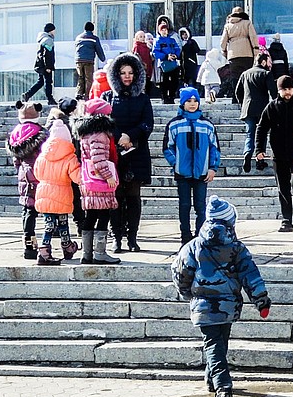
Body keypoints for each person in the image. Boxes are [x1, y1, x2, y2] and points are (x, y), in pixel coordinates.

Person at [172, 197, 271, 397]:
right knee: (217, 344)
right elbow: (250, 274)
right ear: (230, 223)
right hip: (228, 305)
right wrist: (260, 299)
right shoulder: (236, 248)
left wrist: (186, 293)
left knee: (215, 344)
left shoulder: (192, 247)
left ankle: (212, 379)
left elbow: (180, 272)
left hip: (203, 305)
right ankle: (223, 386)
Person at [107, 52, 154, 254]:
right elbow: (104, 122)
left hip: (137, 152)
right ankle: (116, 237)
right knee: (116, 197)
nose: (127, 76)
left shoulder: (143, 99)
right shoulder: (108, 97)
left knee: (133, 197)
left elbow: (147, 124)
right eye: (123, 72)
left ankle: (132, 238)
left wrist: (130, 136)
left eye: (130, 72)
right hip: (114, 154)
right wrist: (119, 137)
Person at [164, 87, 221, 245]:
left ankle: (200, 236)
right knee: (184, 205)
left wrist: (212, 168)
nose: (192, 103)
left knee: (201, 206)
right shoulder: (174, 124)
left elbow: (215, 148)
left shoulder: (207, 125)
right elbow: (167, 147)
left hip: (202, 172)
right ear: (182, 103)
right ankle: (185, 236)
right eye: (188, 101)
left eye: (195, 100)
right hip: (182, 173)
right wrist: (176, 163)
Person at [256, 74, 293, 233]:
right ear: (279, 90)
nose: (288, 92)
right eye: (284, 89)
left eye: (290, 89)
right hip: (279, 154)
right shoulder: (272, 107)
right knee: (283, 188)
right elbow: (261, 128)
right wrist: (259, 149)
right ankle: (286, 220)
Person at [75, 98, 121, 265]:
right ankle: (100, 253)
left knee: (90, 216)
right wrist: (108, 175)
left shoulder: (85, 132)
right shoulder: (100, 134)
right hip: (100, 181)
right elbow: (98, 158)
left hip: (88, 180)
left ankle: (87, 254)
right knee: (103, 215)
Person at [32, 119, 81, 265]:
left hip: (44, 193)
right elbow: (77, 177)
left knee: (49, 223)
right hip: (61, 193)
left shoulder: (42, 156)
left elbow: (37, 173)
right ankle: (54, 249)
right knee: (62, 222)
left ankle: (50, 249)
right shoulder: (70, 157)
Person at [6, 101, 47, 260]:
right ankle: (49, 241)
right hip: (40, 174)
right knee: (47, 209)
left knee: (28, 210)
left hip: (24, 176)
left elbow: (16, 160)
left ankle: (28, 246)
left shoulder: (15, 132)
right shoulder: (41, 132)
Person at [235, 50, 274, 174]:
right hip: (263, 109)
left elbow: (237, 92)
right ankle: (259, 159)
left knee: (250, 134)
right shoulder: (266, 74)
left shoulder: (245, 74)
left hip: (248, 109)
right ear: (263, 62)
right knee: (261, 134)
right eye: (268, 61)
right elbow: (273, 92)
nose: (270, 64)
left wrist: (243, 104)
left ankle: (247, 153)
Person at [219, 6, 259, 98]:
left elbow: (223, 42)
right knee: (247, 75)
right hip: (247, 54)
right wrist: (256, 51)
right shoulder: (247, 23)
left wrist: (225, 52)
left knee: (235, 76)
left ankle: (236, 96)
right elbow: (253, 37)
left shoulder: (228, 26)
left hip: (233, 55)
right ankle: (247, 96)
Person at [21, 24, 57, 107]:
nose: (55, 32)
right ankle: (50, 99)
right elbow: (48, 54)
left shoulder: (42, 39)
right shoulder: (48, 40)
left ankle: (27, 94)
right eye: (54, 30)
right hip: (45, 66)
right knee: (48, 82)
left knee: (40, 82)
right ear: (51, 30)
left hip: (40, 64)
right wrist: (48, 66)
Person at [152, 18, 183, 106]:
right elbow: (156, 52)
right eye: (162, 30)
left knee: (174, 81)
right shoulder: (158, 41)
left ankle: (172, 96)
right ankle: (165, 97)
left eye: (166, 30)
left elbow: (177, 48)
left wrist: (176, 55)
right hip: (164, 65)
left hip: (173, 63)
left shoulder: (172, 40)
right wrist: (166, 56)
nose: (164, 31)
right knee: (164, 82)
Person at [74, 22, 106, 101]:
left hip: (78, 60)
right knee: (88, 79)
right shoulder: (94, 38)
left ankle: (79, 94)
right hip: (88, 60)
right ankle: (87, 96)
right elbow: (99, 50)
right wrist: (103, 59)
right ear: (93, 29)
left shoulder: (78, 37)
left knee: (81, 77)